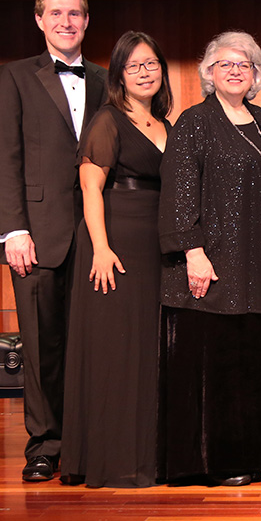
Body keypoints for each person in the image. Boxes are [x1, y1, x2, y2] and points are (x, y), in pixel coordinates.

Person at [158, 31, 261, 487]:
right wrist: (193, 251)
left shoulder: (260, 118)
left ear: (256, 75)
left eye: (244, 64)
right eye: (225, 63)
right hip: (215, 266)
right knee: (217, 367)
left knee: (255, 365)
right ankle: (216, 462)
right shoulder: (195, 121)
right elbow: (180, 191)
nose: (235, 70)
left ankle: (256, 454)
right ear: (209, 73)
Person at [0, 0, 109, 482]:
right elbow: (2, 158)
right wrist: (12, 230)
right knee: (41, 343)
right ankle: (44, 444)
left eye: (75, 13)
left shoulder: (107, 79)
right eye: (56, 14)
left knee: (92, 341)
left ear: (86, 20)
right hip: (36, 232)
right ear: (39, 20)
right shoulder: (14, 77)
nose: (66, 22)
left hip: (100, 233)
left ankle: (88, 439)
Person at [60, 31, 172, 488]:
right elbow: (90, 188)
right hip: (116, 242)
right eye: (134, 66)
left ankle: (150, 454)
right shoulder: (108, 119)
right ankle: (113, 458)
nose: (145, 73)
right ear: (119, 76)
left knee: (149, 349)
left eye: (152, 64)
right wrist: (101, 247)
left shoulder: (168, 124)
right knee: (116, 350)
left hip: (157, 246)